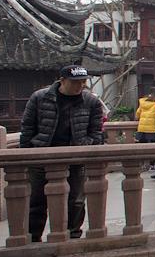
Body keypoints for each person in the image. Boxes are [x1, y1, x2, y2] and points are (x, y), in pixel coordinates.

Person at [20, 64, 106, 241]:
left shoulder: (91, 102)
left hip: (76, 157)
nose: (80, 86)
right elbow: (27, 128)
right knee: (37, 201)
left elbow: (96, 131)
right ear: (62, 81)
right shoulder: (39, 98)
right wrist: (26, 154)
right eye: (75, 82)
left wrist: (87, 147)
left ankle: (73, 234)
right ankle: (33, 237)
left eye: (83, 82)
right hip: (42, 155)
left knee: (76, 201)